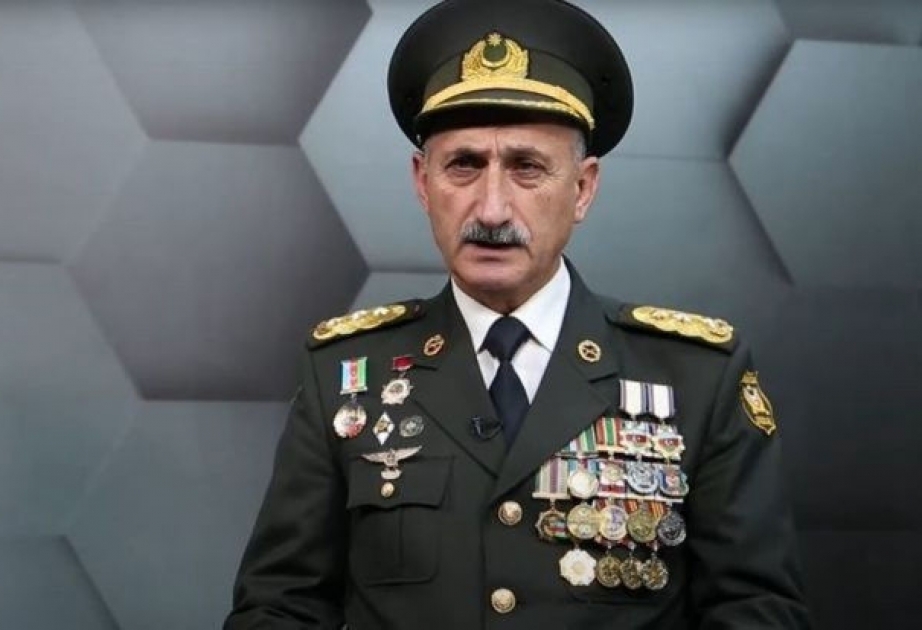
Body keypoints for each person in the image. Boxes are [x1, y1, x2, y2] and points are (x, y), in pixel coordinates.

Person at [224, 1, 810, 628]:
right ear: (422, 182)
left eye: (527, 168)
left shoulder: (696, 378)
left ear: (582, 188)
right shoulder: (345, 376)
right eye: (464, 165)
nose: (492, 209)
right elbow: (279, 608)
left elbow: (756, 611)